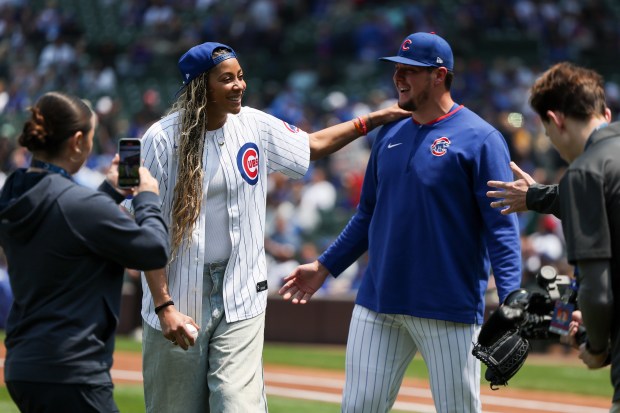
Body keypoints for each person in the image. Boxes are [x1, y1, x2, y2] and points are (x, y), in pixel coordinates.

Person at [136, 41, 409, 413]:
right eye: (226, 79)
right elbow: (145, 228)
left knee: (239, 406)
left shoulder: (253, 123)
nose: (239, 85)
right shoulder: (160, 138)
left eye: (241, 76)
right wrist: (164, 304)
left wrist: (371, 121)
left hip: (241, 290)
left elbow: (311, 145)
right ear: (201, 87)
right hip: (180, 293)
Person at [279, 32, 522, 413]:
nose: (399, 78)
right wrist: (325, 266)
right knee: (357, 408)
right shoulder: (390, 133)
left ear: (439, 75)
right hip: (379, 302)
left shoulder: (481, 138)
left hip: (447, 307)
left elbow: (501, 227)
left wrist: (511, 300)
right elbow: (367, 215)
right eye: (397, 70)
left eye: (410, 71)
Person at [0, 91, 169, 413]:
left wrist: (108, 192)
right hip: (72, 368)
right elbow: (153, 250)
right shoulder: (79, 205)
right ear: (78, 141)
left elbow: (63, 224)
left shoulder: (15, 195)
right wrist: (147, 197)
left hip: (25, 364)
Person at [487, 62, 620, 412]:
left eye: (547, 133)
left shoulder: (585, 171)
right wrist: (536, 196)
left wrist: (594, 347)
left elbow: (598, 290)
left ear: (556, 120)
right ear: (604, 113)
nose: (553, 144)